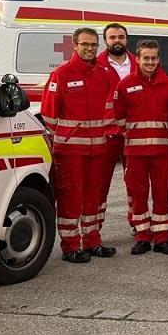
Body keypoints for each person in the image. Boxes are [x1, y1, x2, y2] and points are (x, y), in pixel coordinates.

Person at [39, 28, 119, 263]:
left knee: (93, 197)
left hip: (97, 149)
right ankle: (71, 246)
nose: (90, 48)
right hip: (70, 150)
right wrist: (64, 137)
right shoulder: (61, 74)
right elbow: (49, 115)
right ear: (75, 45)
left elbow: (108, 110)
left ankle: (93, 241)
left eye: (94, 45)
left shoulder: (103, 74)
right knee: (71, 198)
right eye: (85, 44)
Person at [113, 40, 168, 256]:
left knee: (162, 193)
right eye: (146, 58)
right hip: (135, 153)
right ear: (138, 59)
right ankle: (142, 236)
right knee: (138, 193)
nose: (150, 62)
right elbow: (119, 116)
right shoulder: (125, 85)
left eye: (153, 58)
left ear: (158, 60)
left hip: (161, 153)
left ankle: (162, 238)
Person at [92, 23, 135, 254]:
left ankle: (138, 223)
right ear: (105, 40)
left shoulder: (138, 63)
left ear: (127, 39)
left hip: (132, 133)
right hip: (106, 133)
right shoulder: (95, 64)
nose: (116, 40)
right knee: (99, 184)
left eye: (120, 36)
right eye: (112, 37)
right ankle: (94, 229)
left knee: (135, 182)